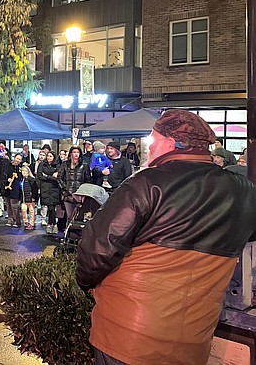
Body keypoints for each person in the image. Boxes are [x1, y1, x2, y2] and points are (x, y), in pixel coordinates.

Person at [76, 109, 256, 365]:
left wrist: (88, 285)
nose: (149, 149)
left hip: (127, 333)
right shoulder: (245, 192)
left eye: (152, 141)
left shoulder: (146, 184)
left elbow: (96, 250)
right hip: (194, 338)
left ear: (170, 143)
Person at [37, 151, 61, 234]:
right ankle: (52, 224)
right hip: (45, 189)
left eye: (51, 156)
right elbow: (39, 176)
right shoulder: (42, 164)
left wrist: (46, 176)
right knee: (50, 207)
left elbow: (58, 177)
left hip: (54, 189)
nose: (49, 158)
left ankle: (51, 224)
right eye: (48, 156)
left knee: (52, 208)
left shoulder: (57, 165)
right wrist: (51, 177)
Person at [19, 165, 38, 230]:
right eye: (22, 171)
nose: (23, 172)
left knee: (31, 211)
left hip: (30, 198)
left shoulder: (32, 179)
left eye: (25, 171)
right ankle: (26, 222)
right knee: (23, 210)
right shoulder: (22, 179)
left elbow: (34, 189)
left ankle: (31, 223)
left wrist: (33, 197)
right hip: (24, 199)